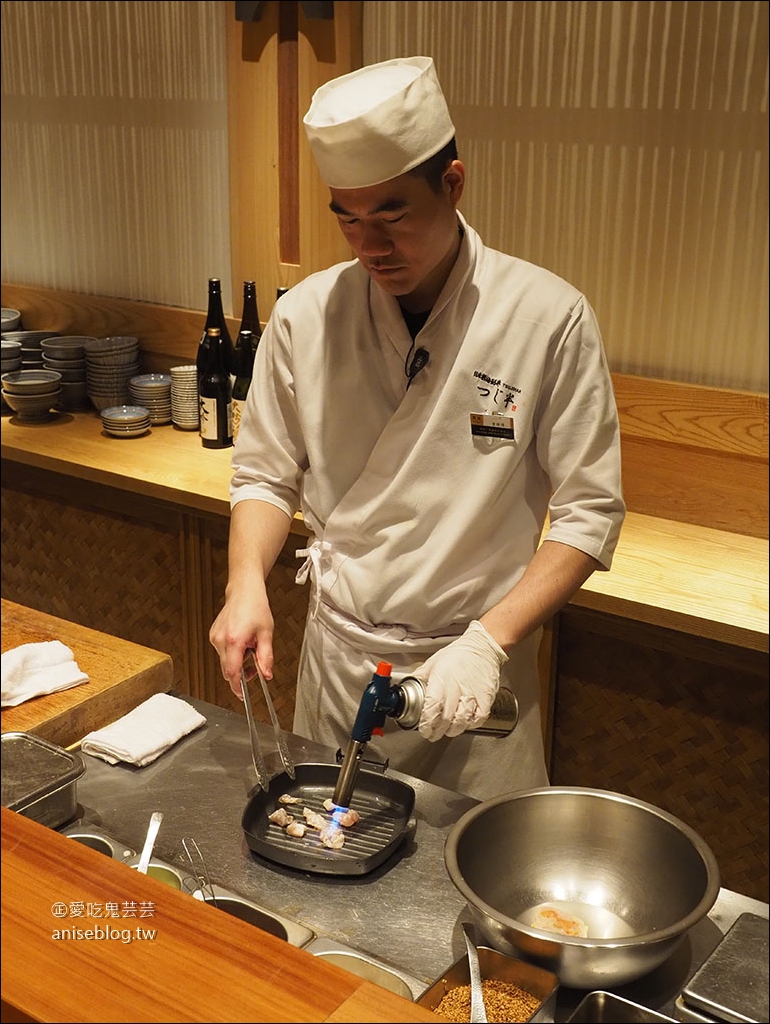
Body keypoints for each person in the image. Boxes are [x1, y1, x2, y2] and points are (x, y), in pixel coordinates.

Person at [210, 56, 625, 801]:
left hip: (471, 673)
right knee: (325, 869)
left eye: (393, 214)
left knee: (469, 888)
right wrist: (247, 585)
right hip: (341, 660)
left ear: (454, 183)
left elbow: (590, 511)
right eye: (348, 217)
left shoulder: (545, 318)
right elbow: (267, 475)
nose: (369, 246)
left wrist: (487, 644)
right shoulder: (307, 315)